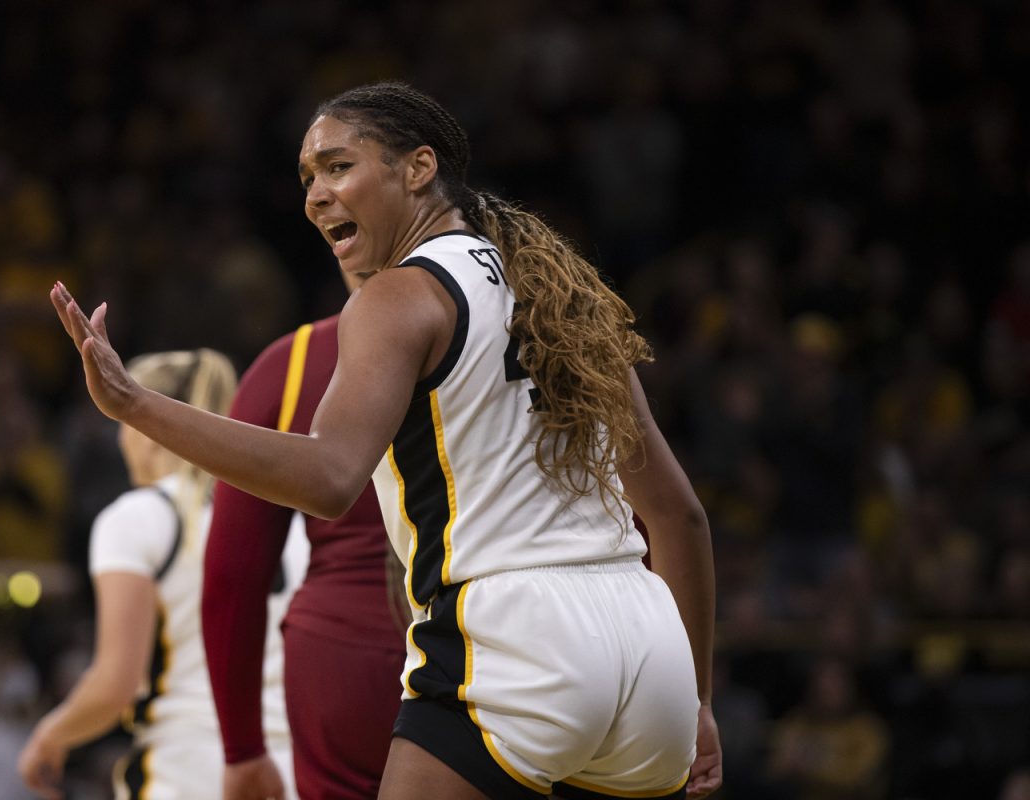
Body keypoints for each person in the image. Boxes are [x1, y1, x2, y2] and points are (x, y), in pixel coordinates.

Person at [52, 80, 723, 799]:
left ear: (419, 168)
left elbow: (330, 479)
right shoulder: (568, 301)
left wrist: (134, 404)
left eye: (338, 167)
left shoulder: (398, 295)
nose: (315, 195)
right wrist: (698, 702)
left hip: (517, 638)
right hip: (649, 647)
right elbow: (679, 516)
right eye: (308, 177)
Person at [18, 349, 249, 800]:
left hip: (185, 767)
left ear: (148, 428)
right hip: (284, 771)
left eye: (122, 422)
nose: (121, 441)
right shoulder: (277, 518)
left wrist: (50, 734)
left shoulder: (138, 517)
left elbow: (115, 683)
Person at [203, 291, 408, 800]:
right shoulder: (520, 334)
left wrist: (242, 748)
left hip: (341, 659)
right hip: (487, 647)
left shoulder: (293, 363)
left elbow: (233, 576)